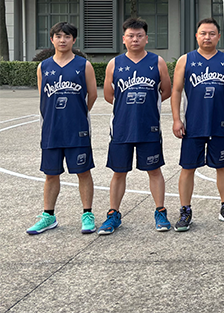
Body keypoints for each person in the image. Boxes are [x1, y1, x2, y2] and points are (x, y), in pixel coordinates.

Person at [97, 18, 173, 235]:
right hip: (121, 127)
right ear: (124, 39)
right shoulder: (114, 64)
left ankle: (160, 212)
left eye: (139, 36)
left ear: (146, 38)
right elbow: (109, 95)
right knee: (119, 172)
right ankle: (113, 214)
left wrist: (147, 104)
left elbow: (166, 91)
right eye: (131, 36)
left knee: (154, 170)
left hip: (149, 126)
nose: (135, 39)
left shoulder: (157, 62)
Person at [170, 18, 224, 232]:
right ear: (197, 36)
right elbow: (176, 90)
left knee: (223, 165)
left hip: (219, 123)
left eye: (211, 33)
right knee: (188, 167)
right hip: (193, 124)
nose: (207, 37)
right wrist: (176, 119)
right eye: (203, 33)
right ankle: (185, 210)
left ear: (218, 36)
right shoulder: (186, 60)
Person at [27, 22, 98, 235]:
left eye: (67, 36)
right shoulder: (43, 67)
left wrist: (78, 113)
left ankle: (87, 214)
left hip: (77, 129)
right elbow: (43, 97)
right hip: (51, 129)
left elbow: (93, 94)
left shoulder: (84, 65)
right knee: (51, 174)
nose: (62, 40)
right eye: (58, 36)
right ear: (52, 39)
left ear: (74, 40)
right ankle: (48, 216)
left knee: (83, 172)